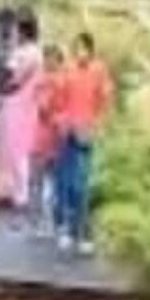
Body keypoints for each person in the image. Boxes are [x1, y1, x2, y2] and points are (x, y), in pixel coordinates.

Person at [54, 31, 113, 254]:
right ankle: (68, 230)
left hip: (86, 133)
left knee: (82, 185)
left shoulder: (99, 71)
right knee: (66, 184)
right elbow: (58, 101)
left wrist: (96, 126)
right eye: (76, 48)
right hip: (68, 132)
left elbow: (105, 101)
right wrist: (61, 122)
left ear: (90, 49)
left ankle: (85, 232)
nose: (80, 53)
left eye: (84, 48)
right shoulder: (67, 70)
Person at [0, 8, 43, 211]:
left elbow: (11, 78)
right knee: (10, 147)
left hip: (20, 104)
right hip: (17, 104)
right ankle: (10, 190)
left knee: (17, 148)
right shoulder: (24, 51)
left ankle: (20, 193)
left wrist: (3, 85)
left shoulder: (29, 53)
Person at [30, 43, 66, 237]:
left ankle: (54, 221)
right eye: (47, 59)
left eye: (53, 59)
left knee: (55, 182)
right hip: (41, 136)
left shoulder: (62, 81)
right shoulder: (41, 80)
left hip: (56, 137)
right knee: (37, 181)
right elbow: (42, 106)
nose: (49, 62)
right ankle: (36, 222)